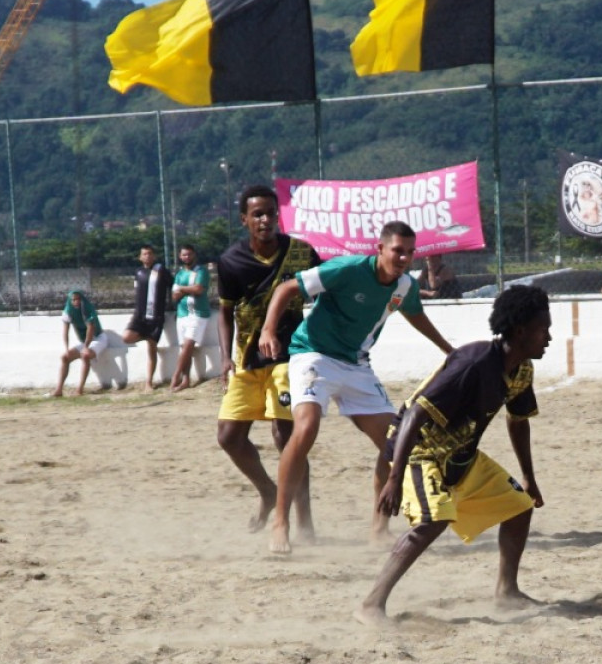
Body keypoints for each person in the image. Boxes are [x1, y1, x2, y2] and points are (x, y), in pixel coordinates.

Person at [357, 285, 553, 626]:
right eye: (543, 329)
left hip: (460, 453)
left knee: (519, 507)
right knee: (433, 519)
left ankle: (506, 591)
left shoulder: (521, 370)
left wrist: (529, 478)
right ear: (520, 331)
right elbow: (415, 414)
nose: (548, 338)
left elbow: (518, 422)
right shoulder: (473, 362)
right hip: (419, 451)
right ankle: (371, 605)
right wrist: (393, 478)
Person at [260, 221, 454, 554]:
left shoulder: (404, 286)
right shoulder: (348, 269)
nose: (404, 257)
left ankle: (379, 529)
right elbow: (286, 289)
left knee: (394, 442)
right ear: (380, 249)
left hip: (355, 364)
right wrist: (268, 330)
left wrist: (448, 351)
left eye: (410, 252)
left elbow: (415, 315)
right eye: (397, 250)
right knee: (306, 429)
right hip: (314, 354)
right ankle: (281, 521)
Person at [215, 185, 319, 534]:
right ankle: (268, 491)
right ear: (244, 219)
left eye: (270, 212)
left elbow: (326, 292)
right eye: (257, 214)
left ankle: (304, 522)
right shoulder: (230, 261)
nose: (265, 219)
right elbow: (225, 312)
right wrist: (225, 358)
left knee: (287, 436)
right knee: (229, 436)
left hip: (292, 356)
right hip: (247, 358)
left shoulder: (302, 253)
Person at [120, 246, 175, 389]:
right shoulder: (138, 272)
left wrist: (172, 304)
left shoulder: (161, 270)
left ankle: (149, 382)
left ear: (154, 256)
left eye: (150, 253)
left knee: (152, 349)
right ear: (140, 257)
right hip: (139, 316)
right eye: (144, 254)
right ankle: (145, 336)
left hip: (156, 316)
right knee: (126, 337)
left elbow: (172, 286)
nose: (147, 256)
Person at [55, 288, 116, 398]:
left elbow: (90, 329)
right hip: (85, 341)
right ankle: (59, 390)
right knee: (65, 357)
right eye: (73, 300)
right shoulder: (68, 310)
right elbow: (65, 331)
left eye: (78, 299)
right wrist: (66, 348)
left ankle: (80, 389)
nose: (76, 302)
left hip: (97, 338)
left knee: (85, 355)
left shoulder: (87, 308)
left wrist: (86, 347)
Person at [170, 244, 213, 391]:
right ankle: (186, 379)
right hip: (182, 314)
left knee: (188, 346)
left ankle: (175, 377)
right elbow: (174, 296)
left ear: (194, 254)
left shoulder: (201, 271)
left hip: (198, 314)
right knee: (184, 348)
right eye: (184, 255)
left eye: (189, 254)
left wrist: (181, 289)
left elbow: (199, 289)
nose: (186, 257)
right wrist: (187, 290)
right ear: (180, 256)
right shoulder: (180, 274)